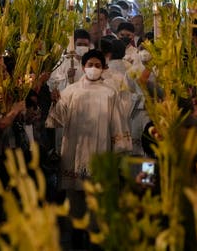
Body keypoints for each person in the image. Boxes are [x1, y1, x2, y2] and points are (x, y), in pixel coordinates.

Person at [45, 49, 132, 248]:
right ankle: (76, 236)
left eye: (98, 65)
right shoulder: (71, 91)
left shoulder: (110, 93)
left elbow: (117, 123)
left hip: (100, 153)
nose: (93, 68)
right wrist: (55, 101)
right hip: (74, 150)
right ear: (83, 67)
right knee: (76, 200)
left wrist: (119, 149)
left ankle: (96, 239)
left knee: (97, 201)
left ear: (103, 68)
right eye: (90, 64)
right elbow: (58, 119)